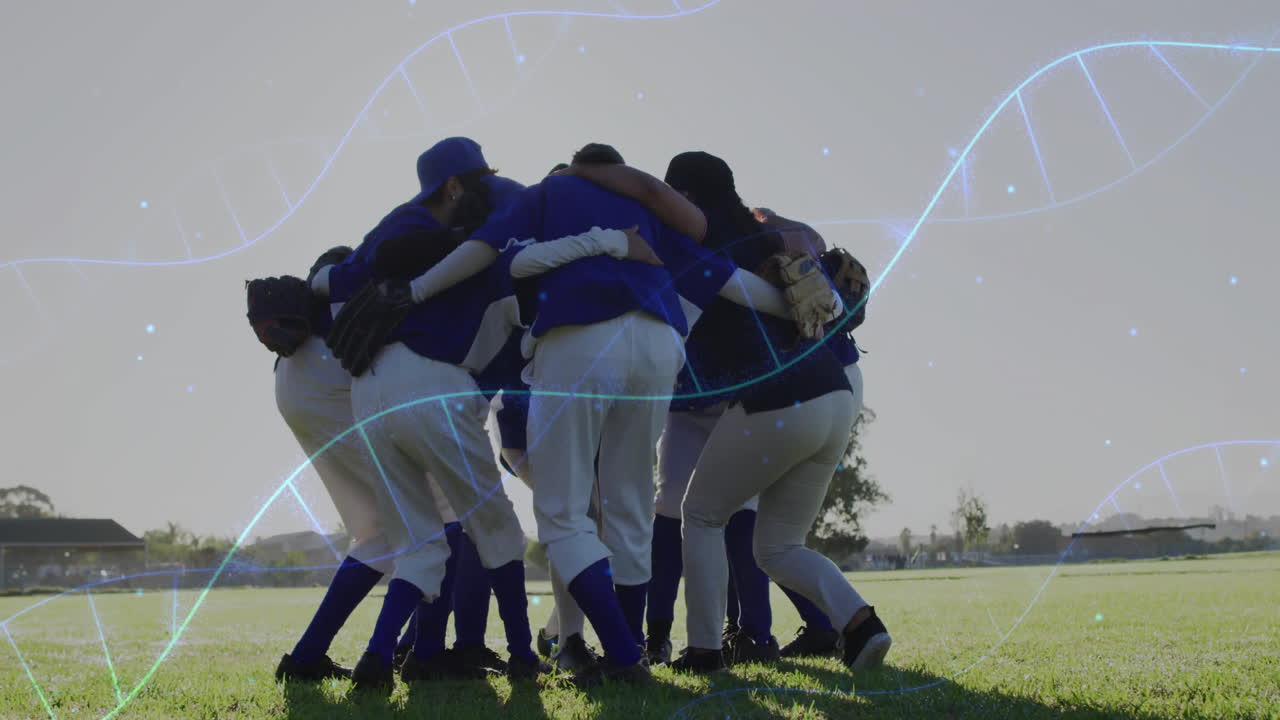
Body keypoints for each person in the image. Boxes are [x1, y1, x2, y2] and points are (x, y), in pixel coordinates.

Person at [399, 143, 809, 686]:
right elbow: (728, 279)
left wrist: (413, 292)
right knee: (630, 509)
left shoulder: (547, 193)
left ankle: (611, 650)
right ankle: (626, 645)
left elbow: (488, 254)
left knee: (564, 515)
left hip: (579, 341)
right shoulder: (644, 211)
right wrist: (818, 309)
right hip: (659, 345)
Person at [562, 154, 890, 674]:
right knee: (777, 546)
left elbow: (652, 197)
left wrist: (583, 172)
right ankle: (861, 625)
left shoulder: (702, 242)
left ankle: (704, 651)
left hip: (783, 397)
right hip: (833, 394)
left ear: (688, 196)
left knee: (699, 515)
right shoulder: (762, 236)